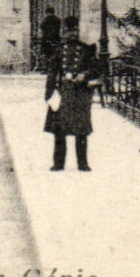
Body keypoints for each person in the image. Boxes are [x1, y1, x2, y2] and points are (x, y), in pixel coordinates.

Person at [44, 16, 102, 172]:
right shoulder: (58, 50)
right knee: (59, 130)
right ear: (63, 32)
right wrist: (49, 94)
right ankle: (58, 163)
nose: (72, 34)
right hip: (63, 93)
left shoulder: (87, 49)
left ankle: (82, 163)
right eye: (69, 31)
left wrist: (85, 75)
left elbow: (96, 69)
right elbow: (52, 72)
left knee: (81, 129)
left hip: (80, 93)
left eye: (74, 31)